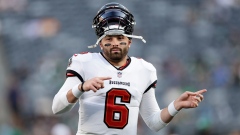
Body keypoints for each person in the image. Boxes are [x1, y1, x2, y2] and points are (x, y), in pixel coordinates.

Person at [52, 2, 207, 135]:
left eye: (120, 38)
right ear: (100, 42)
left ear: (130, 41)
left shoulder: (144, 69)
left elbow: (154, 122)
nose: (115, 43)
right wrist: (81, 87)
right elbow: (57, 107)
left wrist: (175, 106)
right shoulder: (84, 62)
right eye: (109, 38)